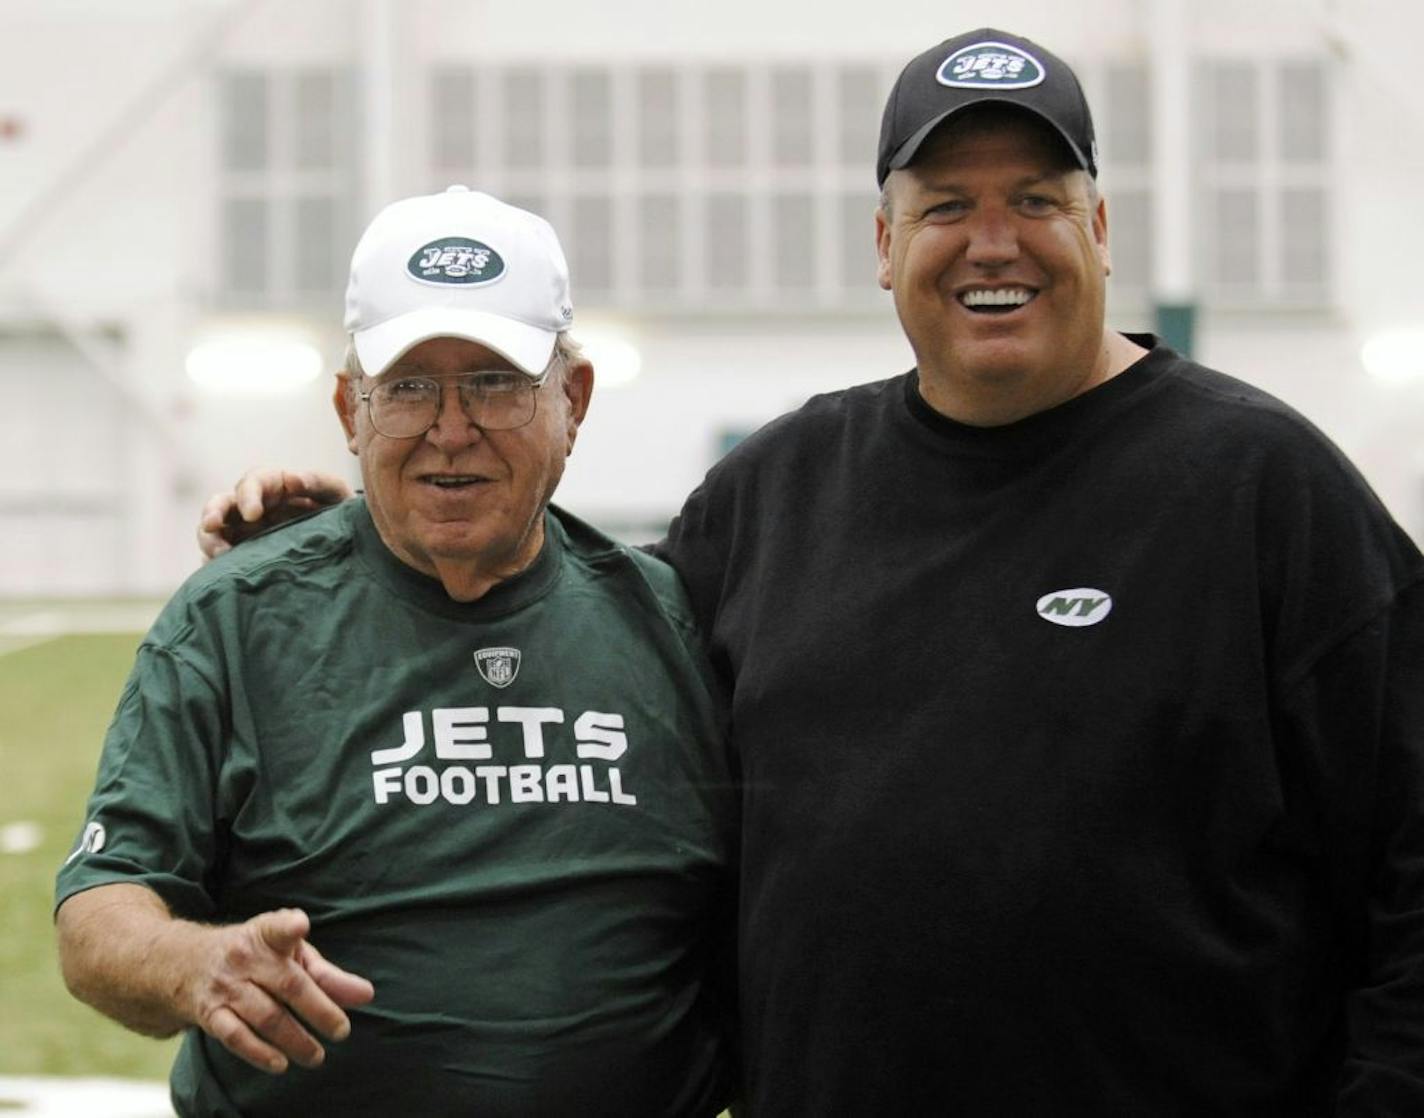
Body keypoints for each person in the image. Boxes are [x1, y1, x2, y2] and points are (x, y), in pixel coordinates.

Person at [196, 28, 1424, 1116]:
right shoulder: (778, 491)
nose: (989, 242)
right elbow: (560, 626)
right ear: (882, 242)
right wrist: (362, 537)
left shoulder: (1261, 486)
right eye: (944, 204)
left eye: (1035, 199)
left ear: (1097, 228)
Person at [57, 186, 736, 1117]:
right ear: (350, 409)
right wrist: (197, 964)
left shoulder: (672, 620)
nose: (450, 429)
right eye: (409, 387)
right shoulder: (235, 616)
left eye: (495, 383)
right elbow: (101, 910)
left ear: (572, 402)